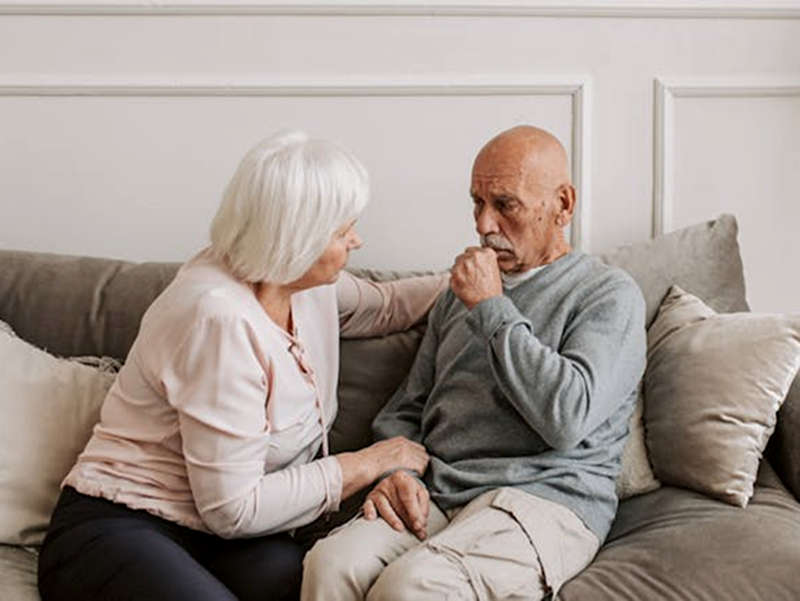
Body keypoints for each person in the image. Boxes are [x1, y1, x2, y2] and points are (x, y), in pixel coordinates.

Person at [37, 130, 449, 601]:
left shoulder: (305, 285)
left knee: (319, 587)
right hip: (120, 525)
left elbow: (389, 306)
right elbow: (233, 509)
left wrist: (478, 279)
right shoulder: (218, 317)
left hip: (221, 539)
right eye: (342, 231)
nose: (357, 239)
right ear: (299, 239)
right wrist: (372, 461)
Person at [302, 125, 647, 601]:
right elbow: (408, 408)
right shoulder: (456, 295)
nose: (484, 225)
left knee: (412, 588)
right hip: (442, 490)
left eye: (505, 205)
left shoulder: (608, 295)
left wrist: (490, 307)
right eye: (477, 203)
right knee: (329, 564)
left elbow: (566, 419)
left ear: (563, 205)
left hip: (544, 501)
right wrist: (396, 474)